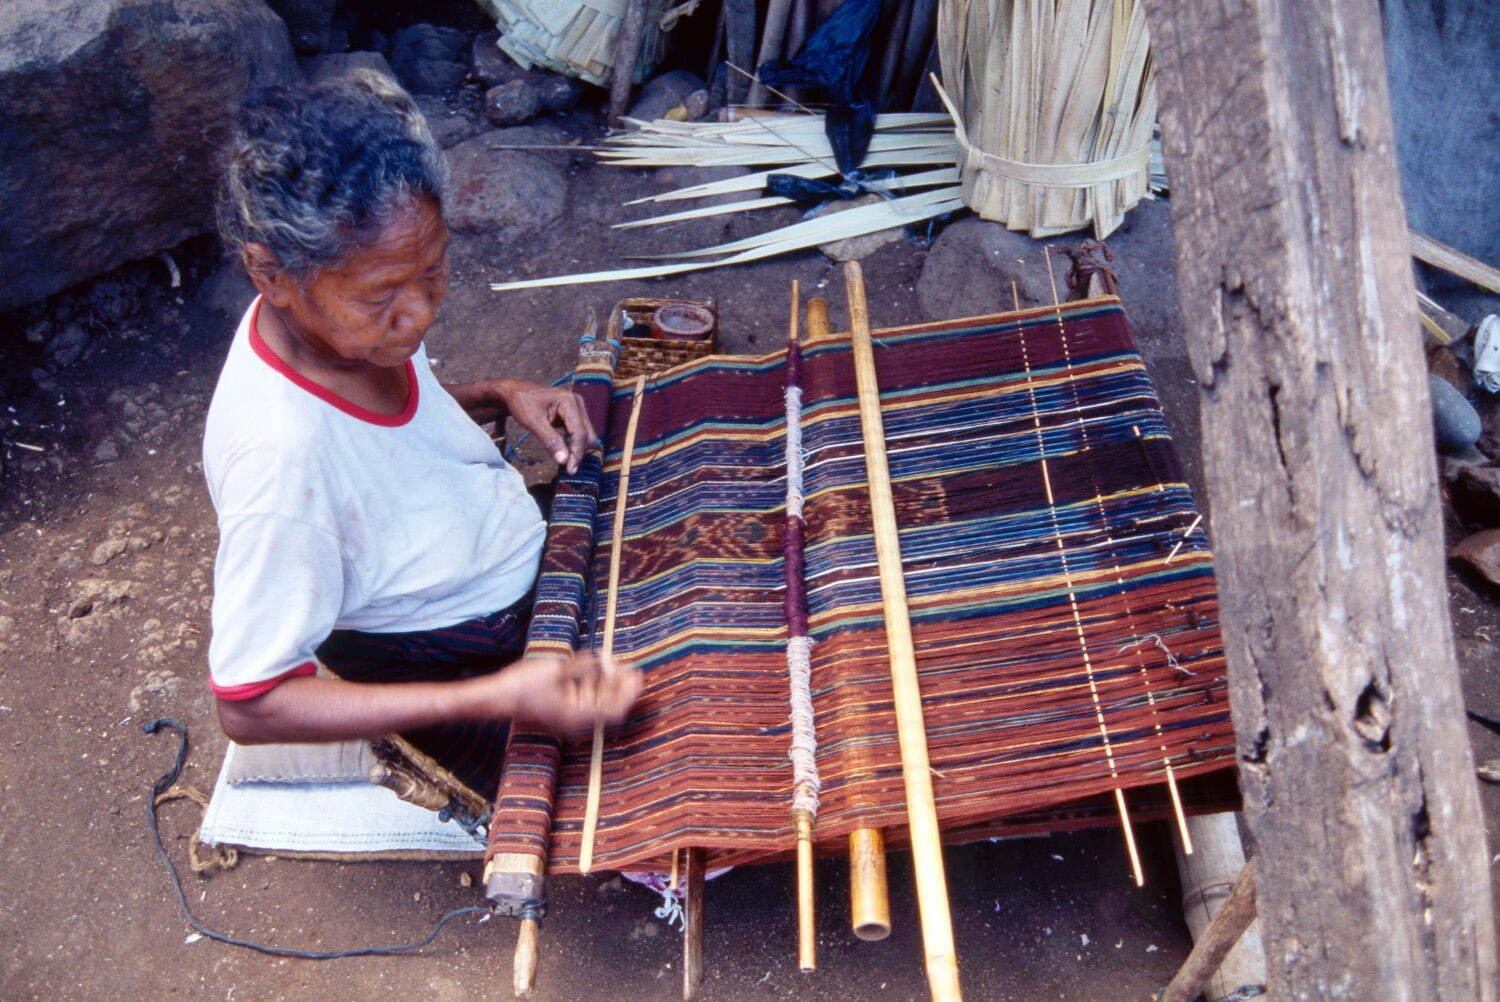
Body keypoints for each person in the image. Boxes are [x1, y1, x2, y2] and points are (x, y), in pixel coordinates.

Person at [203, 71, 639, 795]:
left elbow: (374, 445)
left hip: (512, 553)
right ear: (270, 274)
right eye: (383, 295)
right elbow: (249, 704)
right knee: (660, 773)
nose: (421, 313)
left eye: (433, 273)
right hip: (461, 655)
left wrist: (498, 394)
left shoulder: (340, 329)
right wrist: (497, 695)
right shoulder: (278, 458)